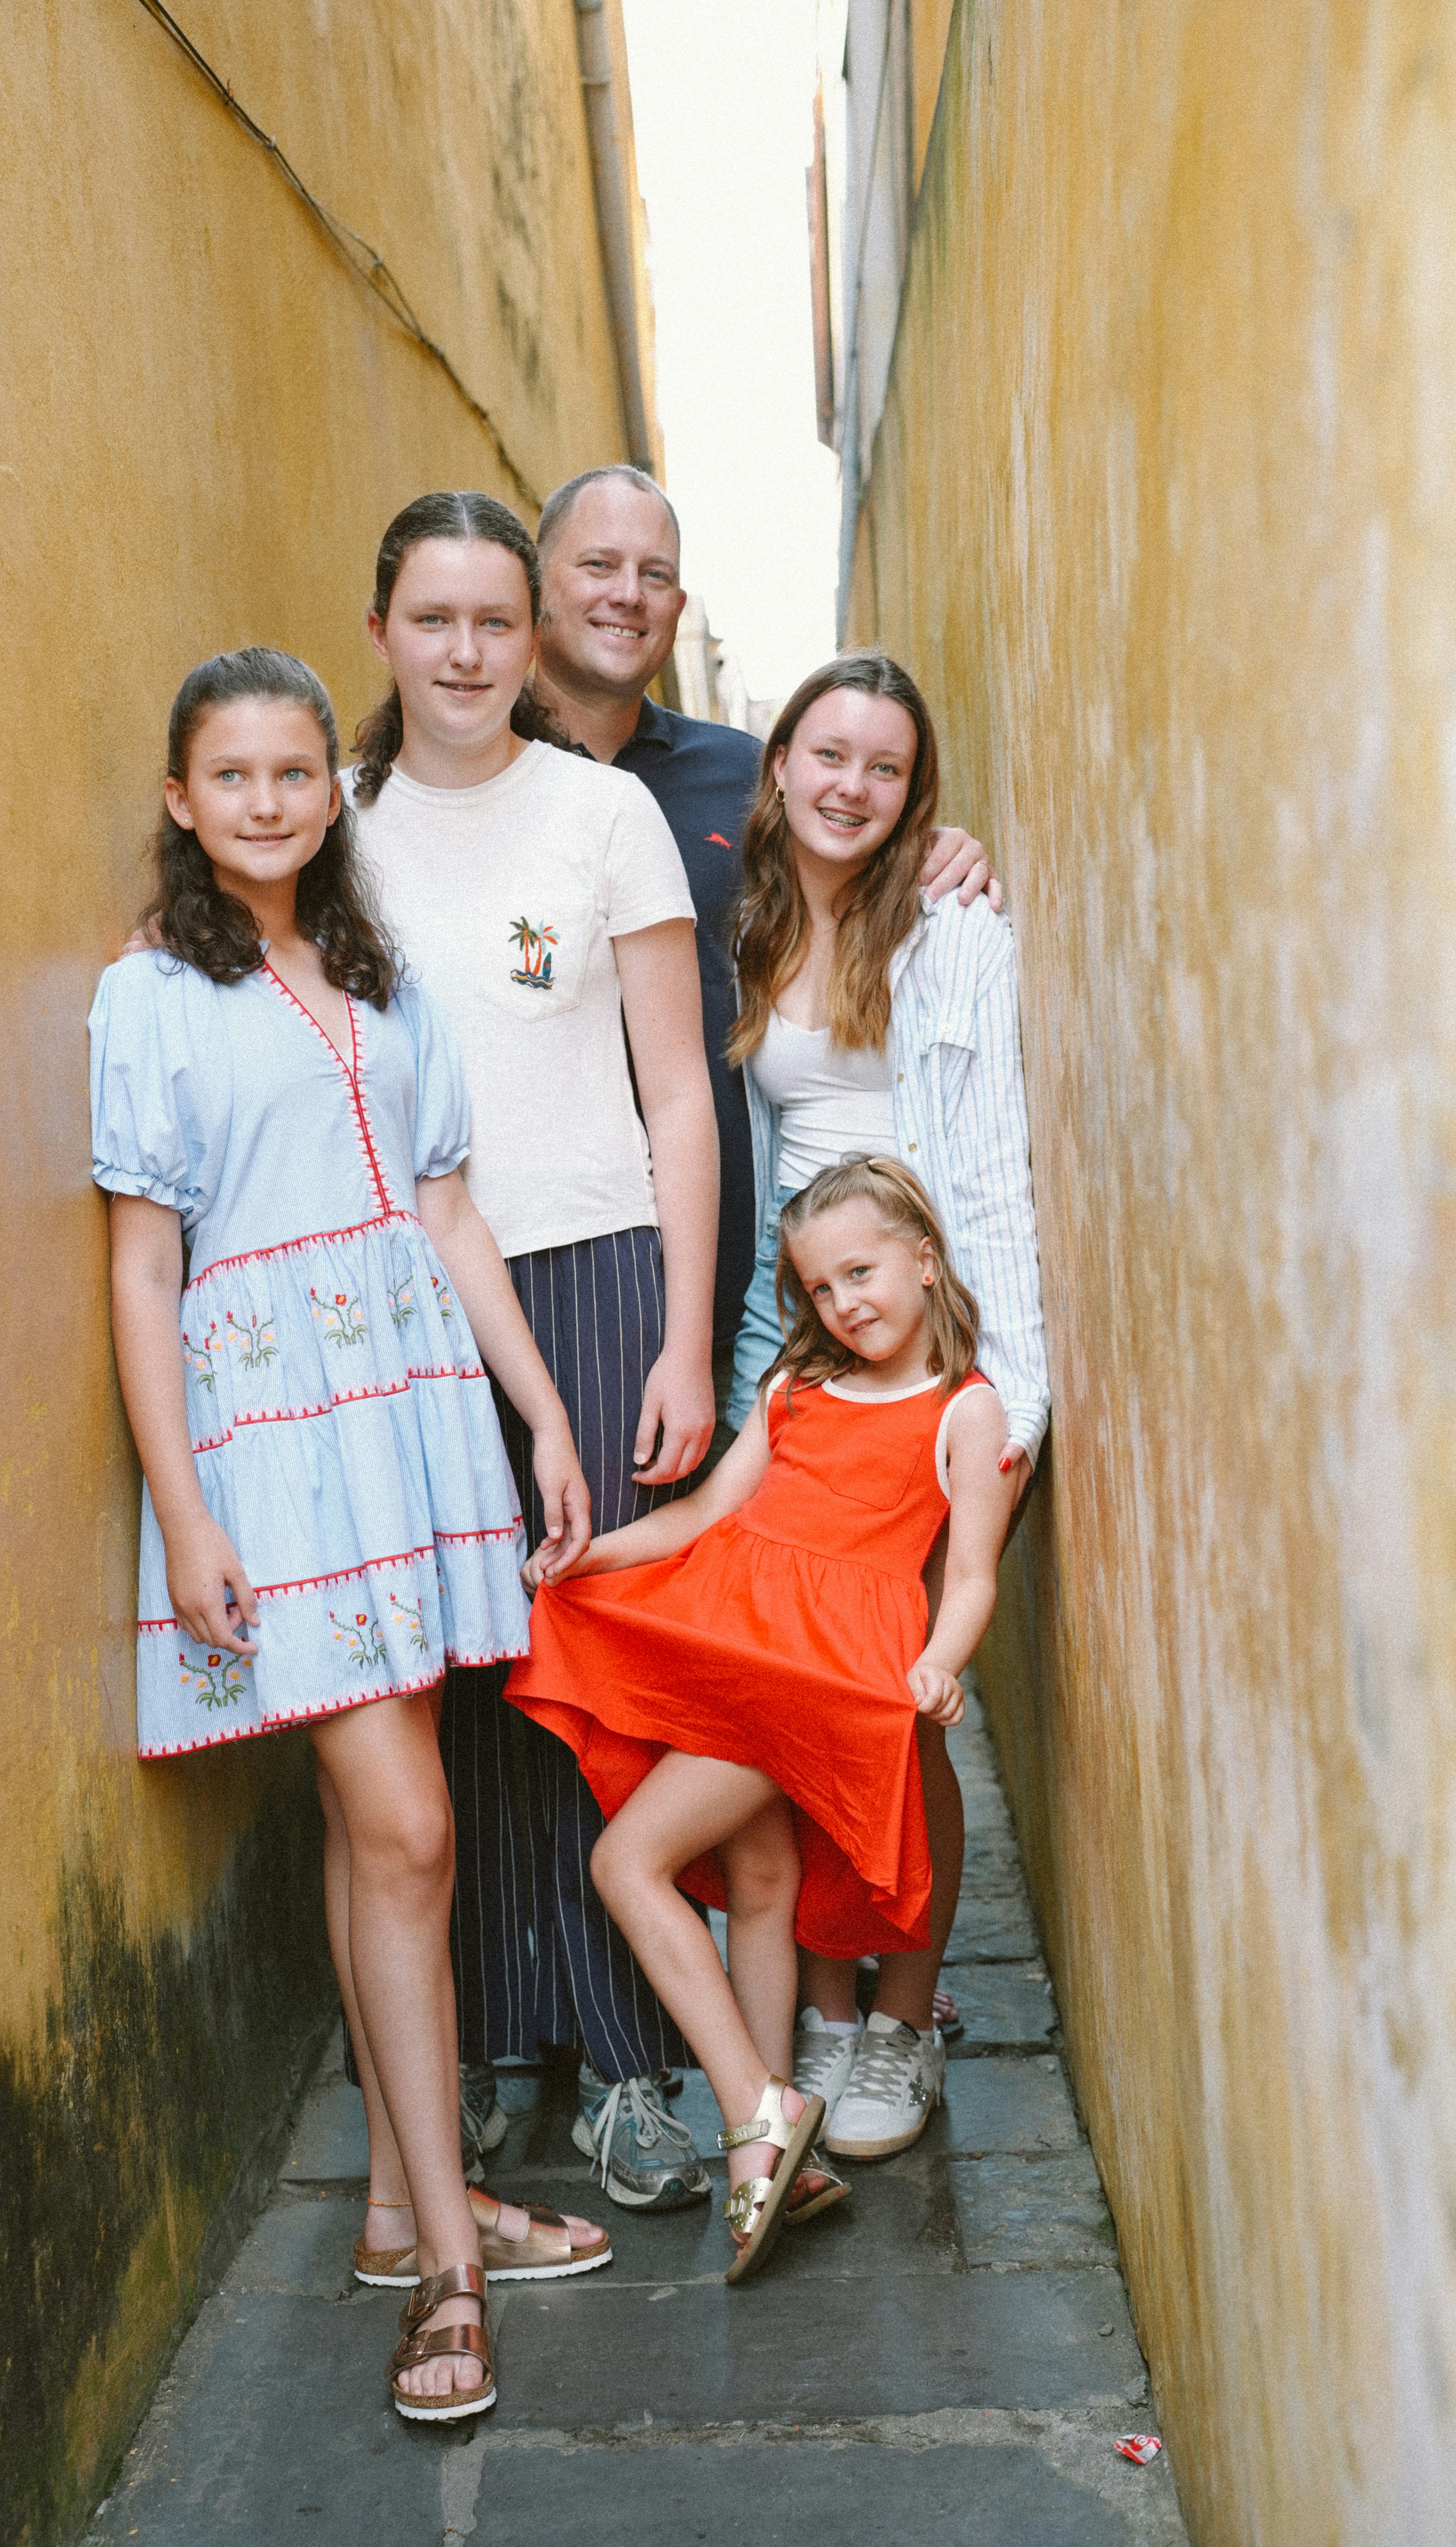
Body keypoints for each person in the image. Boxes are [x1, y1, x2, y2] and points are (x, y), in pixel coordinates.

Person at [90, 647, 608, 2425]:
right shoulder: (150, 997)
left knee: (371, 1830)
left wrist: (537, 1412)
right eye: (229, 776)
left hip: (408, 1421)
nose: (264, 802)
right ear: (183, 800)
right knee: (409, 1822)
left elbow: (453, 1214)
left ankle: (400, 2206)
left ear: (333, 788)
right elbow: (144, 1266)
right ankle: (451, 2264)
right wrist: (181, 1508)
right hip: (274, 1459)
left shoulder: (382, 975)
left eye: (294, 773)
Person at [349, 494, 724, 2210]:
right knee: (464, 1672)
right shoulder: (332, 824)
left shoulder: (602, 814)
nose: (467, 652)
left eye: (494, 621)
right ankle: (502, 2027)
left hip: (593, 1270)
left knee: (599, 1664)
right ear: (382, 637)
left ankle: (630, 2058)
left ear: (533, 636)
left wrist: (682, 1338)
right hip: (409, 1294)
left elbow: (677, 1096)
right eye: (433, 620)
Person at [506, 1158, 1021, 2281]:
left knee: (626, 1863)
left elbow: (972, 1573)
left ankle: (756, 2111)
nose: (845, 1303)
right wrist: (589, 1560)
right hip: (736, 1650)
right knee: (760, 1879)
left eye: (864, 1272)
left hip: (814, 1678)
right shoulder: (792, 1389)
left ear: (926, 1261)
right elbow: (698, 1517)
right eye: (821, 1287)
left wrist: (940, 1661)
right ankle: (770, 2151)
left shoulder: (966, 1410)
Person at [724, 651, 1049, 2161]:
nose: (851, 786)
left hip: (914, 1326)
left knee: (901, 1691)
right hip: (781, 1327)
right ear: (780, 756)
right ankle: (831, 2004)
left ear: (918, 795)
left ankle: (904, 2020)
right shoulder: (744, 912)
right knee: (789, 1682)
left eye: (887, 768)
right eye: (828, 753)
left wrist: (1007, 1381)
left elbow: (983, 1157)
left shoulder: (947, 927)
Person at [529, 464, 1002, 1403]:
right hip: (544, 1242)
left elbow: (849, 852)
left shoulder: (740, 779)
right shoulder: (485, 773)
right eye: (599, 565)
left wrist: (943, 850)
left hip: (738, 1268)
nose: (629, 594)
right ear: (538, 581)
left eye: (654, 574)